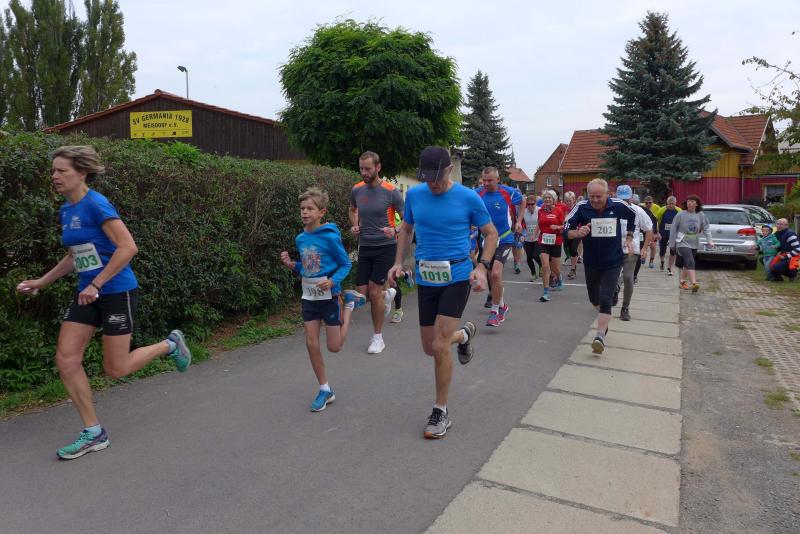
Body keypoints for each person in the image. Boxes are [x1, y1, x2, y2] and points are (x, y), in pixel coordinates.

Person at [15, 146, 193, 460]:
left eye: (62, 171)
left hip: (115, 292)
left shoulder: (96, 204)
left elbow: (128, 247)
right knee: (66, 359)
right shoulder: (67, 210)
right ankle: (93, 432)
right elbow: (75, 256)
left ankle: (169, 345)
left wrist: (97, 284)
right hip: (88, 293)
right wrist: (42, 281)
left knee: (116, 368)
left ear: (82, 173)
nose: (55, 176)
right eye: (53, 170)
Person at [388, 146, 497, 439]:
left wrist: (482, 267)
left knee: (438, 346)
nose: (433, 183)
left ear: (449, 170)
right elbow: (406, 229)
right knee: (430, 347)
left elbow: (491, 234)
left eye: (437, 176)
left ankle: (441, 411)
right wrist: (398, 262)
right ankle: (463, 336)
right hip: (427, 277)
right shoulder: (415, 195)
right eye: (427, 177)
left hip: (457, 275)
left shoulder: (468, 197)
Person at [281, 187, 366, 412]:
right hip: (309, 297)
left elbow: (346, 264)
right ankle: (325, 389)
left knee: (334, 347)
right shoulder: (300, 238)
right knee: (311, 342)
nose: (305, 212)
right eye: (302, 208)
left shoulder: (330, 237)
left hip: (330, 296)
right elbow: (307, 268)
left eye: (310, 208)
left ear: (321, 212)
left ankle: (349, 305)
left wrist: (332, 280)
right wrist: (292, 265)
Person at [566, 178, 637, 354]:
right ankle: (604, 321)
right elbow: (566, 230)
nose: (595, 200)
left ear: (608, 194)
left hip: (613, 260)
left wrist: (629, 237)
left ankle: (599, 336)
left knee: (606, 299)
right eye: (592, 196)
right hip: (591, 261)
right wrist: (577, 232)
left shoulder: (618, 205)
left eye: (599, 196)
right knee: (594, 300)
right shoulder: (581, 207)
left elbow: (633, 216)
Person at [349, 151, 403, 354]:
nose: (364, 172)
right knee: (362, 293)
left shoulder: (391, 191)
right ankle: (387, 294)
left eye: (368, 169)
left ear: (378, 168)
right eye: (361, 168)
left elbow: (407, 218)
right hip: (365, 246)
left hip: (386, 246)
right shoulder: (357, 189)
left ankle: (378, 338)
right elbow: (352, 209)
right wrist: (355, 225)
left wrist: (395, 230)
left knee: (373, 291)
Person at [476, 167, 524, 327]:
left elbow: (523, 201)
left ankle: (495, 311)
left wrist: (519, 221)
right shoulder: (477, 193)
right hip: (487, 240)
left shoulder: (508, 192)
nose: (486, 183)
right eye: (484, 180)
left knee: (496, 273)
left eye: (490, 180)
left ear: (498, 179)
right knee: (491, 275)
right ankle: (502, 305)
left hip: (504, 238)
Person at [615, 186, 653, 321]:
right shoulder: (612, 209)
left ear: (631, 197)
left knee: (628, 277)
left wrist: (645, 248)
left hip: (631, 249)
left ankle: (625, 308)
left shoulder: (638, 211)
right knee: (611, 277)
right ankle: (614, 290)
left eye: (626, 198)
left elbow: (649, 230)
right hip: (613, 249)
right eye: (621, 199)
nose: (624, 201)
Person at [668, 194, 714, 293]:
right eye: (688, 201)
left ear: (697, 204)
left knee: (687, 263)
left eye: (692, 201)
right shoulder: (681, 214)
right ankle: (694, 283)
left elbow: (706, 228)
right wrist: (672, 244)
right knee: (690, 261)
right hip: (682, 242)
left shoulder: (701, 215)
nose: (689, 203)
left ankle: (682, 281)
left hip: (694, 242)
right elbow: (673, 229)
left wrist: (709, 240)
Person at [537, 190, 565, 302]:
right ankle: (546, 292)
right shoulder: (540, 211)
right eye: (546, 198)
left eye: (550, 198)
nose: (547, 199)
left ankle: (559, 276)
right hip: (543, 240)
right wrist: (535, 234)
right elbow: (539, 224)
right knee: (545, 266)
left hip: (556, 241)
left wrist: (557, 227)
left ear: (554, 200)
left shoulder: (558, 211)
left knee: (555, 268)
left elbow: (565, 225)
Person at [631, 194, 657, 284]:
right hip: (628, 235)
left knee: (638, 255)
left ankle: (634, 275)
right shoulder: (624, 208)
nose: (634, 205)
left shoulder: (643, 210)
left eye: (635, 203)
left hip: (641, 234)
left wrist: (655, 232)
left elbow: (653, 221)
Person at [655, 196, 681, 275]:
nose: (671, 205)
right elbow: (655, 221)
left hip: (674, 234)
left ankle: (669, 268)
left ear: (675, 203)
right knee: (662, 250)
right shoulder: (662, 210)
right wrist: (657, 232)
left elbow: (682, 222)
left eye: (673, 204)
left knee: (673, 251)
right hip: (663, 233)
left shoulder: (679, 211)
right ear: (667, 203)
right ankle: (662, 262)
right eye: (669, 204)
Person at [522, 193, 541, 282]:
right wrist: (522, 234)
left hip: (538, 237)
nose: (530, 206)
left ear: (535, 203)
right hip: (528, 237)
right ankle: (533, 274)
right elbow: (521, 223)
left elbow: (541, 223)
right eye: (528, 204)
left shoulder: (539, 210)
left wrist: (536, 234)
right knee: (529, 257)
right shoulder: (524, 212)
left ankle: (541, 266)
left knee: (536, 255)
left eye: (532, 204)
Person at [562, 191, 581, 280]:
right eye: (567, 200)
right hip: (566, 231)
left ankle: (573, 269)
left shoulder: (578, 209)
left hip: (576, 231)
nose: (568, 202)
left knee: (573, 249)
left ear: (574, 200)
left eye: (570, 200)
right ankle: (573, 263)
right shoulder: (563, 209)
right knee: (568, 248)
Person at [642, 196, 661, 268]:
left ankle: (651, 261)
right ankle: (643, 257)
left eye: (650, 203)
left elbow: (658, 221)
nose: (648, 204)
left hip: (653, 230)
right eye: (646, 203)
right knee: (644, 245)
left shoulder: (657, 208)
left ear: (653, 202)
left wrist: (657, 233)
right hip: (644, 230)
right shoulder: (641, 208)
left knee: (653, 246)